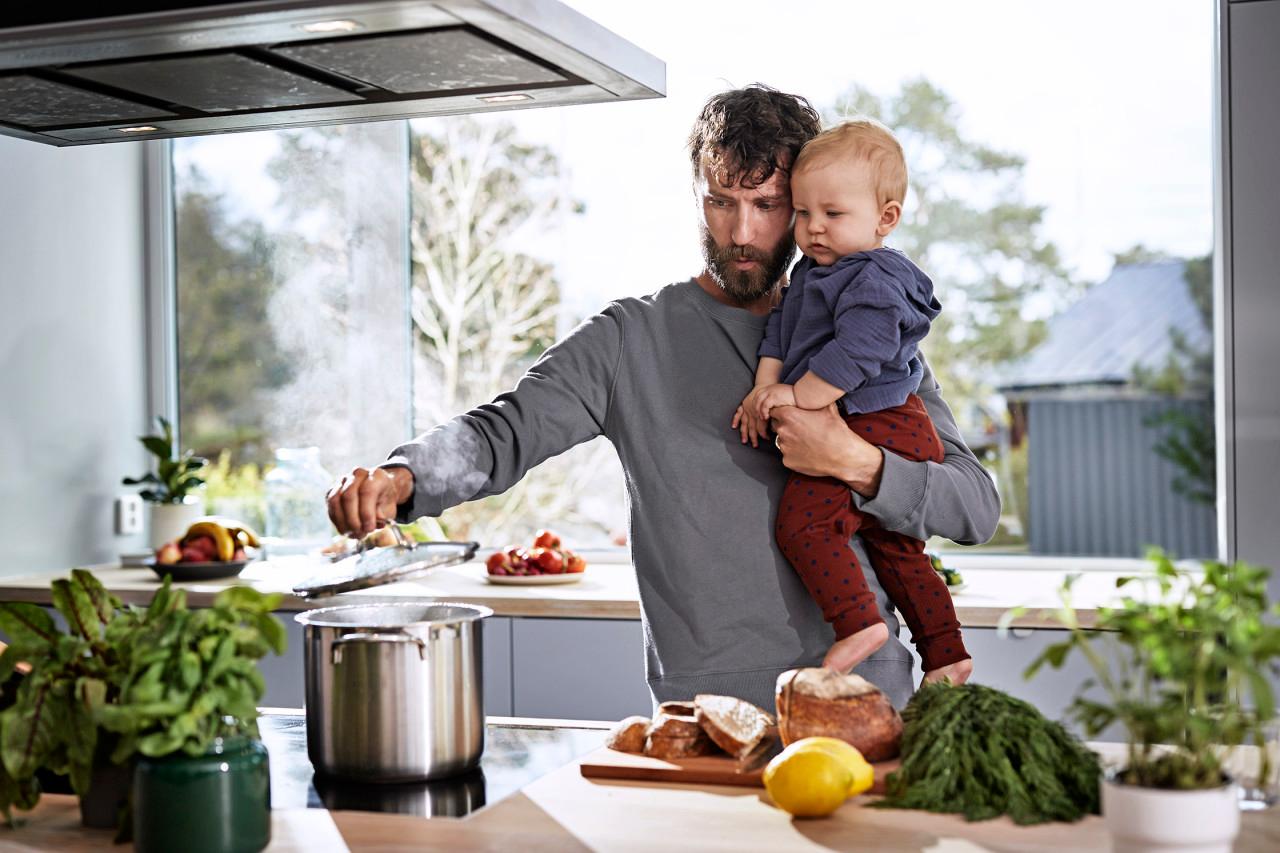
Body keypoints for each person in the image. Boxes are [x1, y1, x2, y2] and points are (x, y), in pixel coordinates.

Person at [326, 84, 1000, 712]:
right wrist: (404, 475)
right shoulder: (631, 337)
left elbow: (974, 505)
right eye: (720, 200)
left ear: (802, 202)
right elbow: (504, 429)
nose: (741, 232)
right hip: (706, 716)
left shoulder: (871, 335)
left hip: (868, 699)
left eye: (767, 206)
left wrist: (856, 462)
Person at [733, 119, 971, 686]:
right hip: (865, 424)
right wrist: (762, 389)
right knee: (898, 551)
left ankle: (858, 623)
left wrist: (796, 395)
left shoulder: (877, 277)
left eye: (832, 214)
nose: (813, 229)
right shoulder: (811, 274)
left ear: (885, 218)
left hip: (886, 424)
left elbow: (859, 352)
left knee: (804, 527)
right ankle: (948, 653)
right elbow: (780, 338)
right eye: (803, 213)